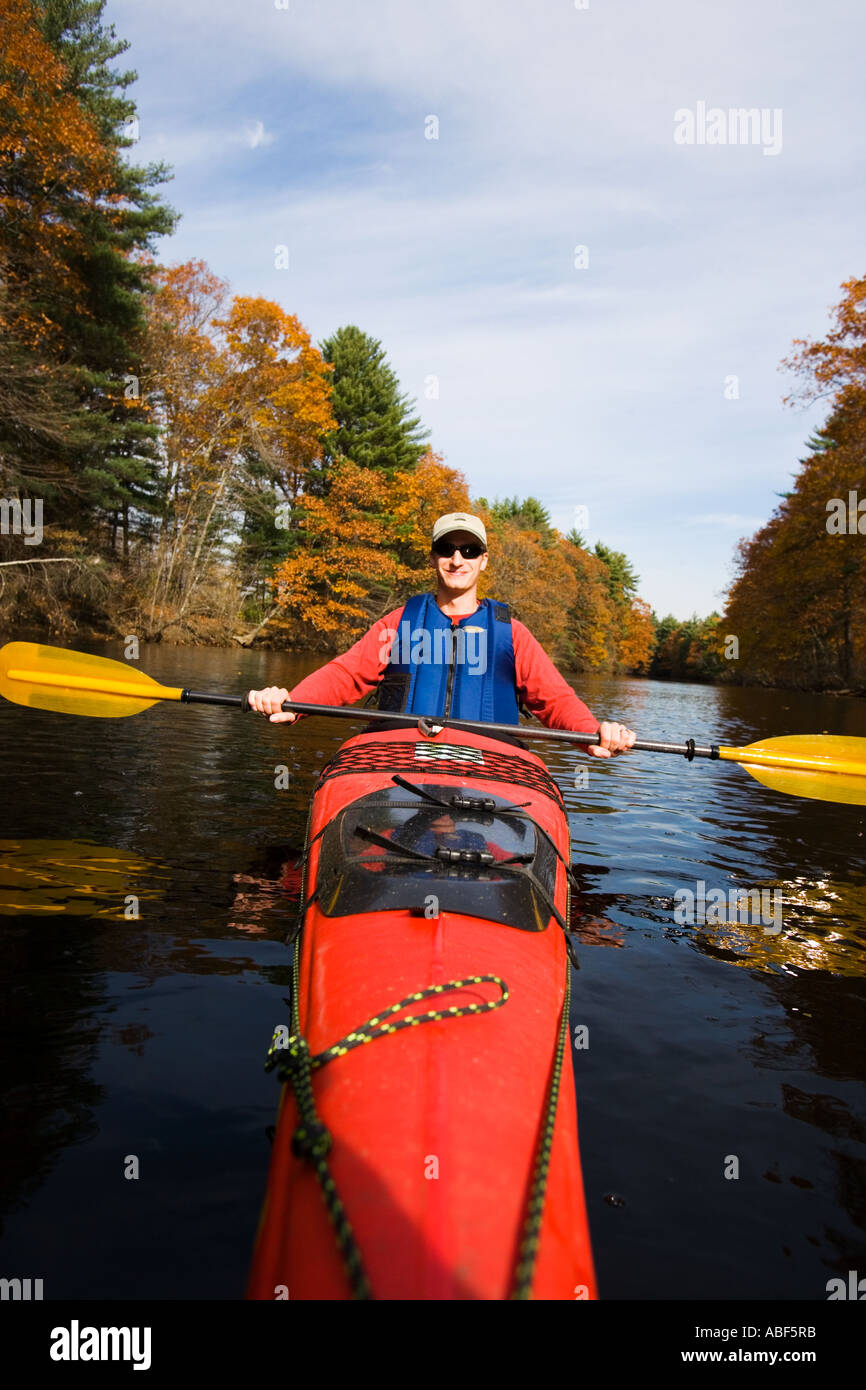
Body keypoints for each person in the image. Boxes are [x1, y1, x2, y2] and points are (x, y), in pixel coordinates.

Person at [247, 511, 636, 757]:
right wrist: (292, 701)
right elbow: (346, 674)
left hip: (489, 763)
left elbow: (554, 699)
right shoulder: (398, 623)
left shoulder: (512, 635)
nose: (456, 559)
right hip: (399, 756)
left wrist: (592, 732)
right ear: (433, 556)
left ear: (483, 561)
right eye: (447, 549)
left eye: (469, 551)